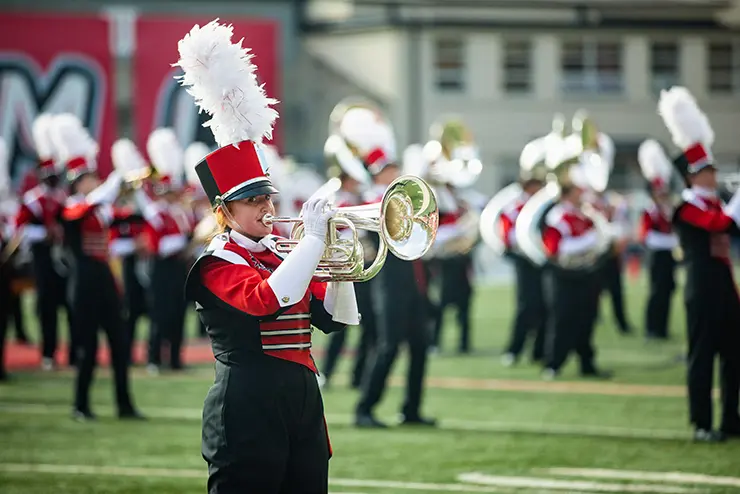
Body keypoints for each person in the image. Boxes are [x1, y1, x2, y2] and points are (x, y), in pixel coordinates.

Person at [177, 20, 359, 492]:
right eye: (253, 201)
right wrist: (314, 243)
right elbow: (265, 301)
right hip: (246, 404)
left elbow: (333, 318)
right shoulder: (216, 262)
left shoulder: (284, 253)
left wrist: (341, 259)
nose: (266, 208)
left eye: (267, 198)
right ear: (224, 210)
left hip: (301, 401)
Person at [342, 106, 435, 428]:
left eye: (394, 167)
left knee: (421, 346)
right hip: (387, 280)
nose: (393, 172)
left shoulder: (400, 196)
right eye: (387, 169)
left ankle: (412, 409)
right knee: (388, 345)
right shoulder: (372, 198)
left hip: (413, 279)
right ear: (377, 173)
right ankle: (364, 408)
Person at [659, 86, 740, 442]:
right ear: (692, 175)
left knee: (734, 356)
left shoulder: (715, 203)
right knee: (702, 357)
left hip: (723, 284)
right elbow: (719, 226)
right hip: (701, 287)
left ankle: (731, 420)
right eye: (707, 169)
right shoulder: (686, 206)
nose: (714, 173)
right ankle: (702, 424)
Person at [53, 114, 142, 421]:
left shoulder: (101, 209)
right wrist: (116, 180)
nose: (95, 180)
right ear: (78, 183)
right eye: (88, 177)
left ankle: (125, 404)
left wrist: (137, 187)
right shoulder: (72, 206)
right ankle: (80, 405)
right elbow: (84, 208)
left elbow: (135, 217)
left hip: (104, 278)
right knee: (87, 348)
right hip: (83, 280)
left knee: (120, 342)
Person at [540, 136, 613, 380]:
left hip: (586, 274)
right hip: (565, 276)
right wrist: (588, 241)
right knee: (562, 320)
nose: (583, 193)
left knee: (587, 320)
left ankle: (587, 363)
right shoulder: (557, 217)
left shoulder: (586, 215)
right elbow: (555, 249)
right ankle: (553, 364)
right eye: (578, 190)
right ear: (567, 192)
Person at [14, 114, 74, 369]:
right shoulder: (31, 200)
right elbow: (21, 230)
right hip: (42, 258)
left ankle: (73, 354)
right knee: (47, 307)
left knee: (70, 307)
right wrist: (44, 234)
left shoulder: (63, 198)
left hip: (64, 257)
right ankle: (48, 354)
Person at [499, 136, 548, 366]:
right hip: (524, 260)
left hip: (544, 261)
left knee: (545, 306)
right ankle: (514, 350)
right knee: (526, 306)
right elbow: (507, 235)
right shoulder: (515, 207)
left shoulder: (548, 207)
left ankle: (539, 350)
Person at [637, 139, 678, 340]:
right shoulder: (649, 210)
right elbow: (646, 236)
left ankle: (662, 329)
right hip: (656, 255)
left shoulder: (667, 208)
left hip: (669, 255)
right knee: (656, 292)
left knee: (669, 290)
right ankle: (652, 329)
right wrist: (672, 241)